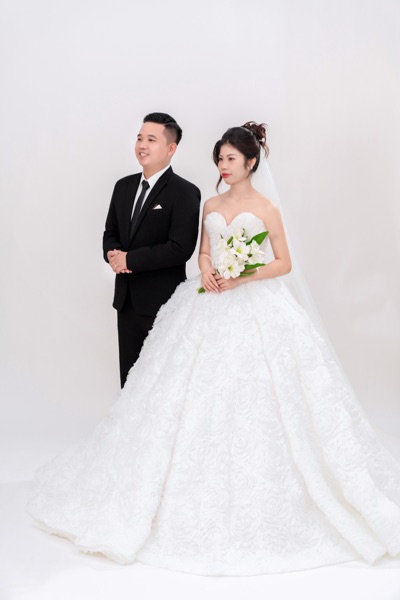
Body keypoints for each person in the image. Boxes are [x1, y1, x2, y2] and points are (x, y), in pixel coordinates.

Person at [27, 122, 400, 576]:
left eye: (230, 159)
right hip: (208, 298)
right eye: (219, 159)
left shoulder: (266, 208)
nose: (223, 166)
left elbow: (284, 262)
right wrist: (207, 268)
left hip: (254, 301)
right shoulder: (211, 204)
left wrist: (243, 275)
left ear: (251, 162)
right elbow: (203, 250)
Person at [103, 112, 201, 387]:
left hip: (163, 302)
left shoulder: (185, 192)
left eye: (151, 139)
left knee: (160, 383)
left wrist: (130, 259)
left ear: (171, 148)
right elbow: (111, 232)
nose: (142, 145)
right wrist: (112, 255)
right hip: (126, 301)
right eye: (139, 138)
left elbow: (180, 248)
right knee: (129, 380)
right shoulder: (123, 186)